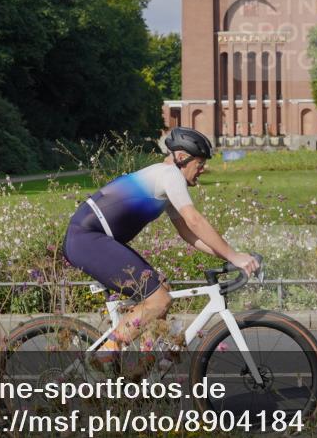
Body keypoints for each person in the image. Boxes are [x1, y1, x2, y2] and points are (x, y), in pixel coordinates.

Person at [64, 127, 258, 365]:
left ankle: (144, 369)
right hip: (87, 239)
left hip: (93, 239)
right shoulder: (170, 175)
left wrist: (229, 256)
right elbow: (194, 221)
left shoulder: (164, 180)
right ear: (181, 157)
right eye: (199, 163)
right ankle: (102, 358)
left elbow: (188, 234)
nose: (203, 169)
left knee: (161, 290)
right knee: (159, 300)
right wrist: (235, 256)